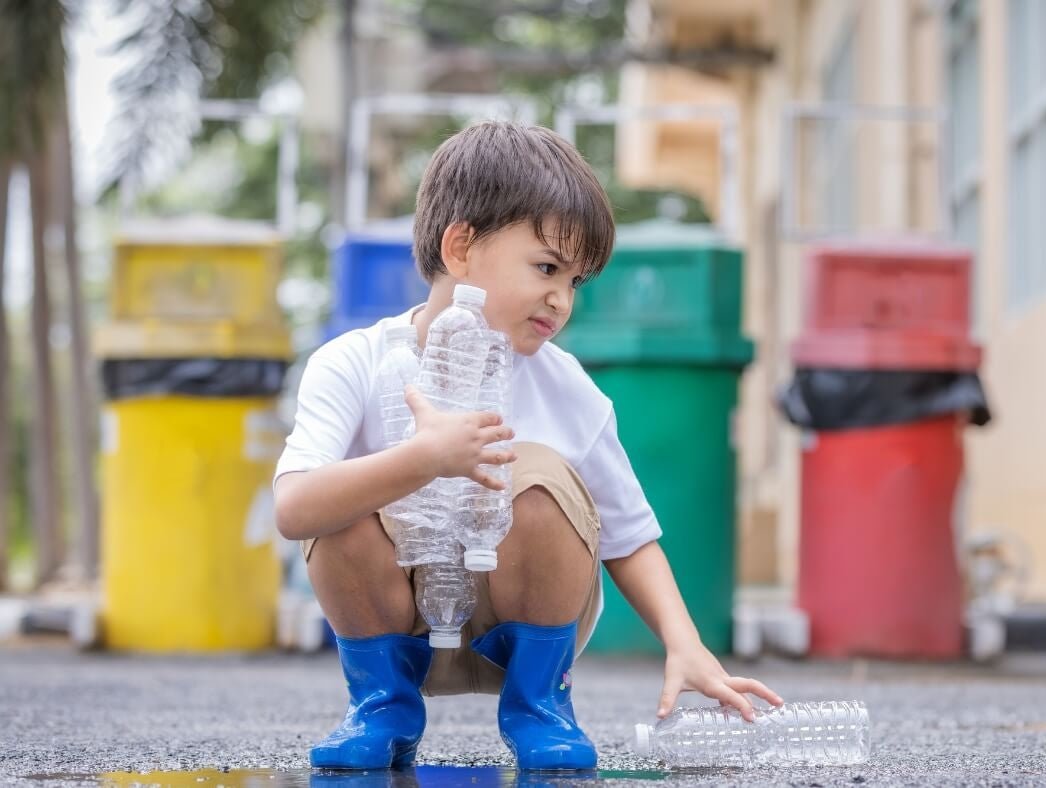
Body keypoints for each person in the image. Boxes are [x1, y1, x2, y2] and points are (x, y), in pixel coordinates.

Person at [273, 121, 781, 771]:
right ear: (460, 247)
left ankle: (540, 705)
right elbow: (293, 509)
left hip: (511, 631)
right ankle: (382, 705)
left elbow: (630, 534)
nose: (560, 299)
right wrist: (421, 460)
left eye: (575, 282)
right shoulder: (354, 364)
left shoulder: (564, 385)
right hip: (398, 618)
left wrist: (686, 644)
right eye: (546, 268)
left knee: (539, 474)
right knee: (337, 498)